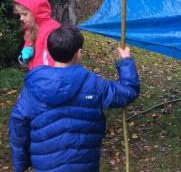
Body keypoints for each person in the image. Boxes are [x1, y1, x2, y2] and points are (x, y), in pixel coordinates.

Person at [9, 24, 140, 172]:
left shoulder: (33, 87)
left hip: (46, 166)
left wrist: (20, 164)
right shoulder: (94, 84)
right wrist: (126, 60)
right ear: (79, 53)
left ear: (50, 53)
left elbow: (18, 125)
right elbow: (128, 91)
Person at [13, 0, 60, 70]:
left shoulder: (52, 30)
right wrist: (23, 59)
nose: (21, 18)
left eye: (24, 14)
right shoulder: (31, 27)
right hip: (36, 76)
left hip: (47, 78)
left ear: (37, 12)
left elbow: (55, 63)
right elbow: (28, 54)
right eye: (20, 14)